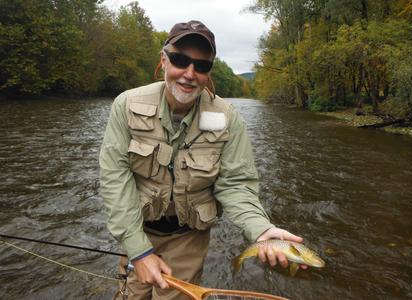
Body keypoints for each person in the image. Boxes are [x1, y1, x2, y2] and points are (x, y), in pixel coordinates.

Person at [99, 20, 304, 300]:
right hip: (137, 227)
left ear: (209, 72)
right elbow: (115, 180)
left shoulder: (228, 119)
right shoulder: (126, 105)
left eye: (202, 65)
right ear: (163, 60)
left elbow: (236, 185)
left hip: (188, 236)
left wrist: (261, 228)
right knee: (131, 294)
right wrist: (139, 249)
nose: (189, 73)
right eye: (180, 60)